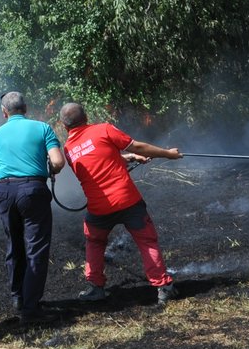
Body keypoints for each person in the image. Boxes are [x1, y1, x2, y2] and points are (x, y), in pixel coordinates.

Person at [59, 102, 183, 304]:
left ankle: (95, 287)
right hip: (127, 200)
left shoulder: (69, 149)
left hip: (98, 208)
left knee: (95, 243)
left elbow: (97, 158)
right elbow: (137, 145)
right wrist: (168, 154)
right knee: (147, 241)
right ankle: (163, 287)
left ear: (64, 126)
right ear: (87, 116)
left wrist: (131, 158)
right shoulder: (104, 129)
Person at [0, 91, 64, 324]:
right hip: (32, 190)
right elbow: (58, 161)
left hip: (4, 191)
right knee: (36, 247)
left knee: (14, 244)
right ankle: (31, 309)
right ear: (26, 108)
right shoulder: (43, 128)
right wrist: (51, 168)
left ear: (4, 112)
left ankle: (17, 297)